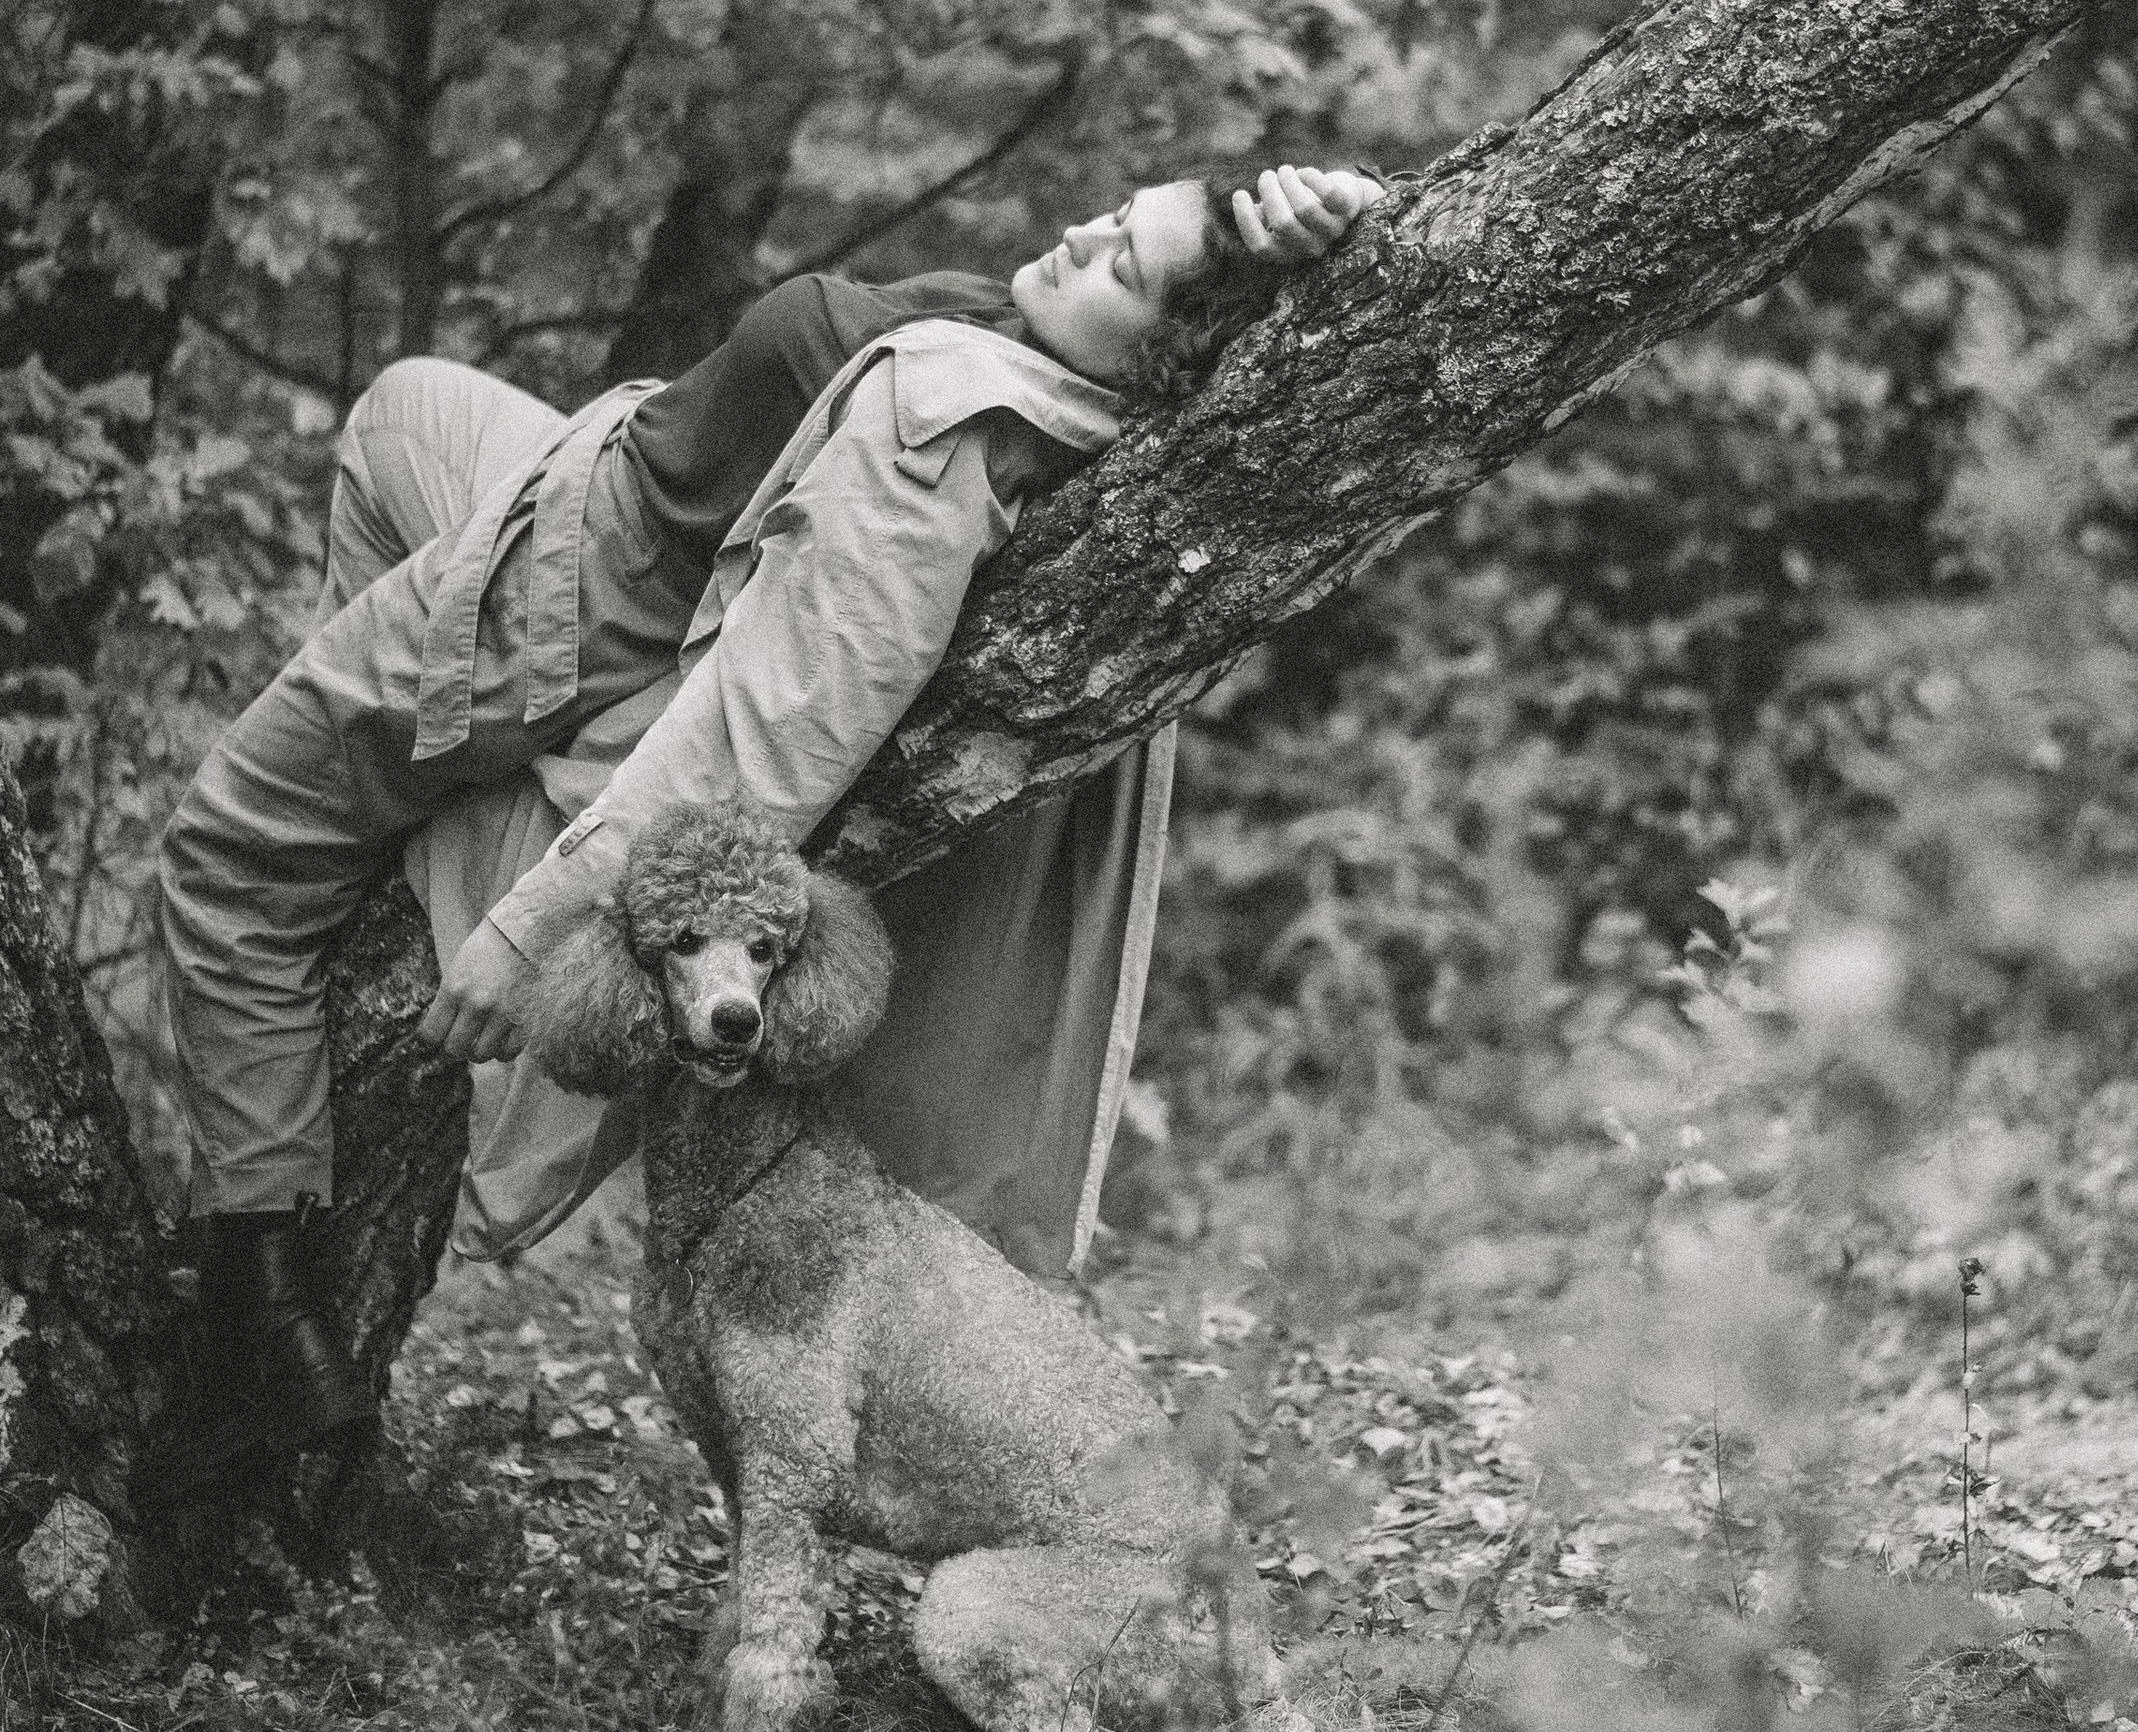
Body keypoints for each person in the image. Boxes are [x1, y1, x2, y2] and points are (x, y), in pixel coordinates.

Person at [157, 161, 1385, 1467]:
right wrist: (1351, 200)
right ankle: (389, 803)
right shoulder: (1023, 338)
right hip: (594, 462)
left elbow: (765, 733)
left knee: (225, 864)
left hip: (569, 599)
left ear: (1160, 367)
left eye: (1120, 269)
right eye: (1111, 216)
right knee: (402, 414)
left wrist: (536, 927)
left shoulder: (945, 443)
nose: (1080, 235)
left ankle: (259, 1315)